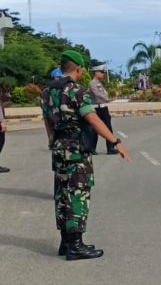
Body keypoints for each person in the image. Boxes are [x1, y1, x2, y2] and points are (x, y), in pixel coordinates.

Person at [40, 50, 130, 260]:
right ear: (78, 68)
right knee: (78, 194)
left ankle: (65, 241)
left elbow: (47, 122)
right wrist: (115, 142)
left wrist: (53, 142)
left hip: (59, 148)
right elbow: (94, 120)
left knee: (62, 194)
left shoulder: (46, 91)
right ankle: (76, 246)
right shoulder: (76, 90)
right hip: (76, 149)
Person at [88, 63, 119, 154]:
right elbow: (98, 94)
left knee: (108, 128)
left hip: (103, 108)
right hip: (96, 109)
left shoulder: (99, 83)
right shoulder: (92, 83)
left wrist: (107, 99)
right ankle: (92, 149)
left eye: (103, 72)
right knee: (94, 129)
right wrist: (107, 99)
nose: (103, 74)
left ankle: (110, 148)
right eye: (101, 72)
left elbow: (103, 93)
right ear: (96, 72)